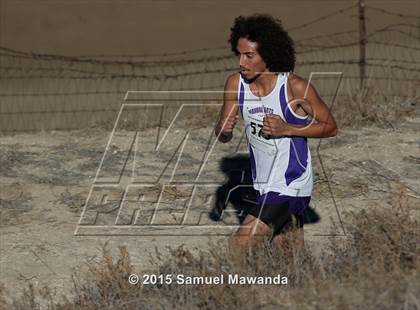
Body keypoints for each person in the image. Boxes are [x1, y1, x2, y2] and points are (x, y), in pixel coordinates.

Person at [214, 14, 337, 249]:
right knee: (289, 259)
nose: (242, 62)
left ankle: (226, 286)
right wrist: (223, 128)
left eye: (249, 55)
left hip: (291, 183)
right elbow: (222, 136)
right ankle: (310, 285)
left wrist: (288, 128)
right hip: (263, 184)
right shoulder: (235, 84)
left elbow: (330, 127)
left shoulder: (294, 87)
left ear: (268, 55)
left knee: (238, 246)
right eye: (239, 54)